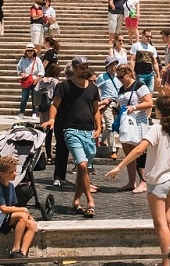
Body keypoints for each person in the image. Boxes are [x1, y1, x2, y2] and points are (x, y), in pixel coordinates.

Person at [106, 96, 170, 266]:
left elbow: (140, 149)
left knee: (161, 224)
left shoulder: (156, 128)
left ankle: (166, 263)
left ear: (160, 111)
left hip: (159, 181)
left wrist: (119, 167)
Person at [42, 56, 101, 219]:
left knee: (85, 171)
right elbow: (55, 105)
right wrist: (52, 119)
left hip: (88, 131)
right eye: (82, 67)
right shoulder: (64, 86)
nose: (85, 70)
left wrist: (99, 127)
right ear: (74, 69)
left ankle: (76, 201)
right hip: (70, 130)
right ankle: (90, 202)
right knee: (82, 166)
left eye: (86, 67)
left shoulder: (93, 88)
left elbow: (95, 110)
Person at [0, 156, 37, 261]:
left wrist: (27, 215)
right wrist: (24, 210)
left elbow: (12, 206)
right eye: (11, 172)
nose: (15, 174)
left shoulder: (11, 186)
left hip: (5, 216)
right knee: (22, 215)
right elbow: (3, 208)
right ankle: (15, 249)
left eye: (15, 171)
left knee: (32, 224)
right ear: (1, 173)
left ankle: (22, 253)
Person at [115, 64, 153, 193]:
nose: (119, 79)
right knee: (128, 151)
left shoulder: (140, 86)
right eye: (117, 76)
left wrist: (135, 107)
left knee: (140, 151)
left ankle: (143, 182)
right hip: (126, 123)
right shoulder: (121, 88)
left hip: (138, 122)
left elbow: (149, 102)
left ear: (129, 73)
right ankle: (131, 182)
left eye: (121, 76)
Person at [96, 56, 122, 159]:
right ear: (108, 66)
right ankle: (112, 150)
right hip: (107, 103)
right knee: (110, 125)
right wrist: (100, 102)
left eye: (116, 64)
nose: (115, 66)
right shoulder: (102, 77)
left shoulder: (118, 77)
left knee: (111, 125)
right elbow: (96, 89)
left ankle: (102, 141)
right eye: (113, 65)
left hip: (118, 103)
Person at [17, 43, 44, 120]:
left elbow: (41, 71)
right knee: (24, 98)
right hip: (26, 80)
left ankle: (34, 112)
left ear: (33, 52)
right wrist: (22, 74)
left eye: (31, 51)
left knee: (34, 98)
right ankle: (21, 112)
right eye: (28, 51)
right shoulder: (22, 59)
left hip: (35, 80)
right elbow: (19, 69)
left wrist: (38, 79)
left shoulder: (37, 60)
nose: (29, 52)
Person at [129, 29, 160, 96]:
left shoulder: (152, 48)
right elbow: (132, 60)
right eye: (147, 36)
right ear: (142, 35)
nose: (148, 38)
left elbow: (155, 63)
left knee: (150, 94)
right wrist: (131, 72)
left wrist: (158, 76)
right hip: (140, 74)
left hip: (150, 74)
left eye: (150, 37)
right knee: (142, 94)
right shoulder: (136, 45)